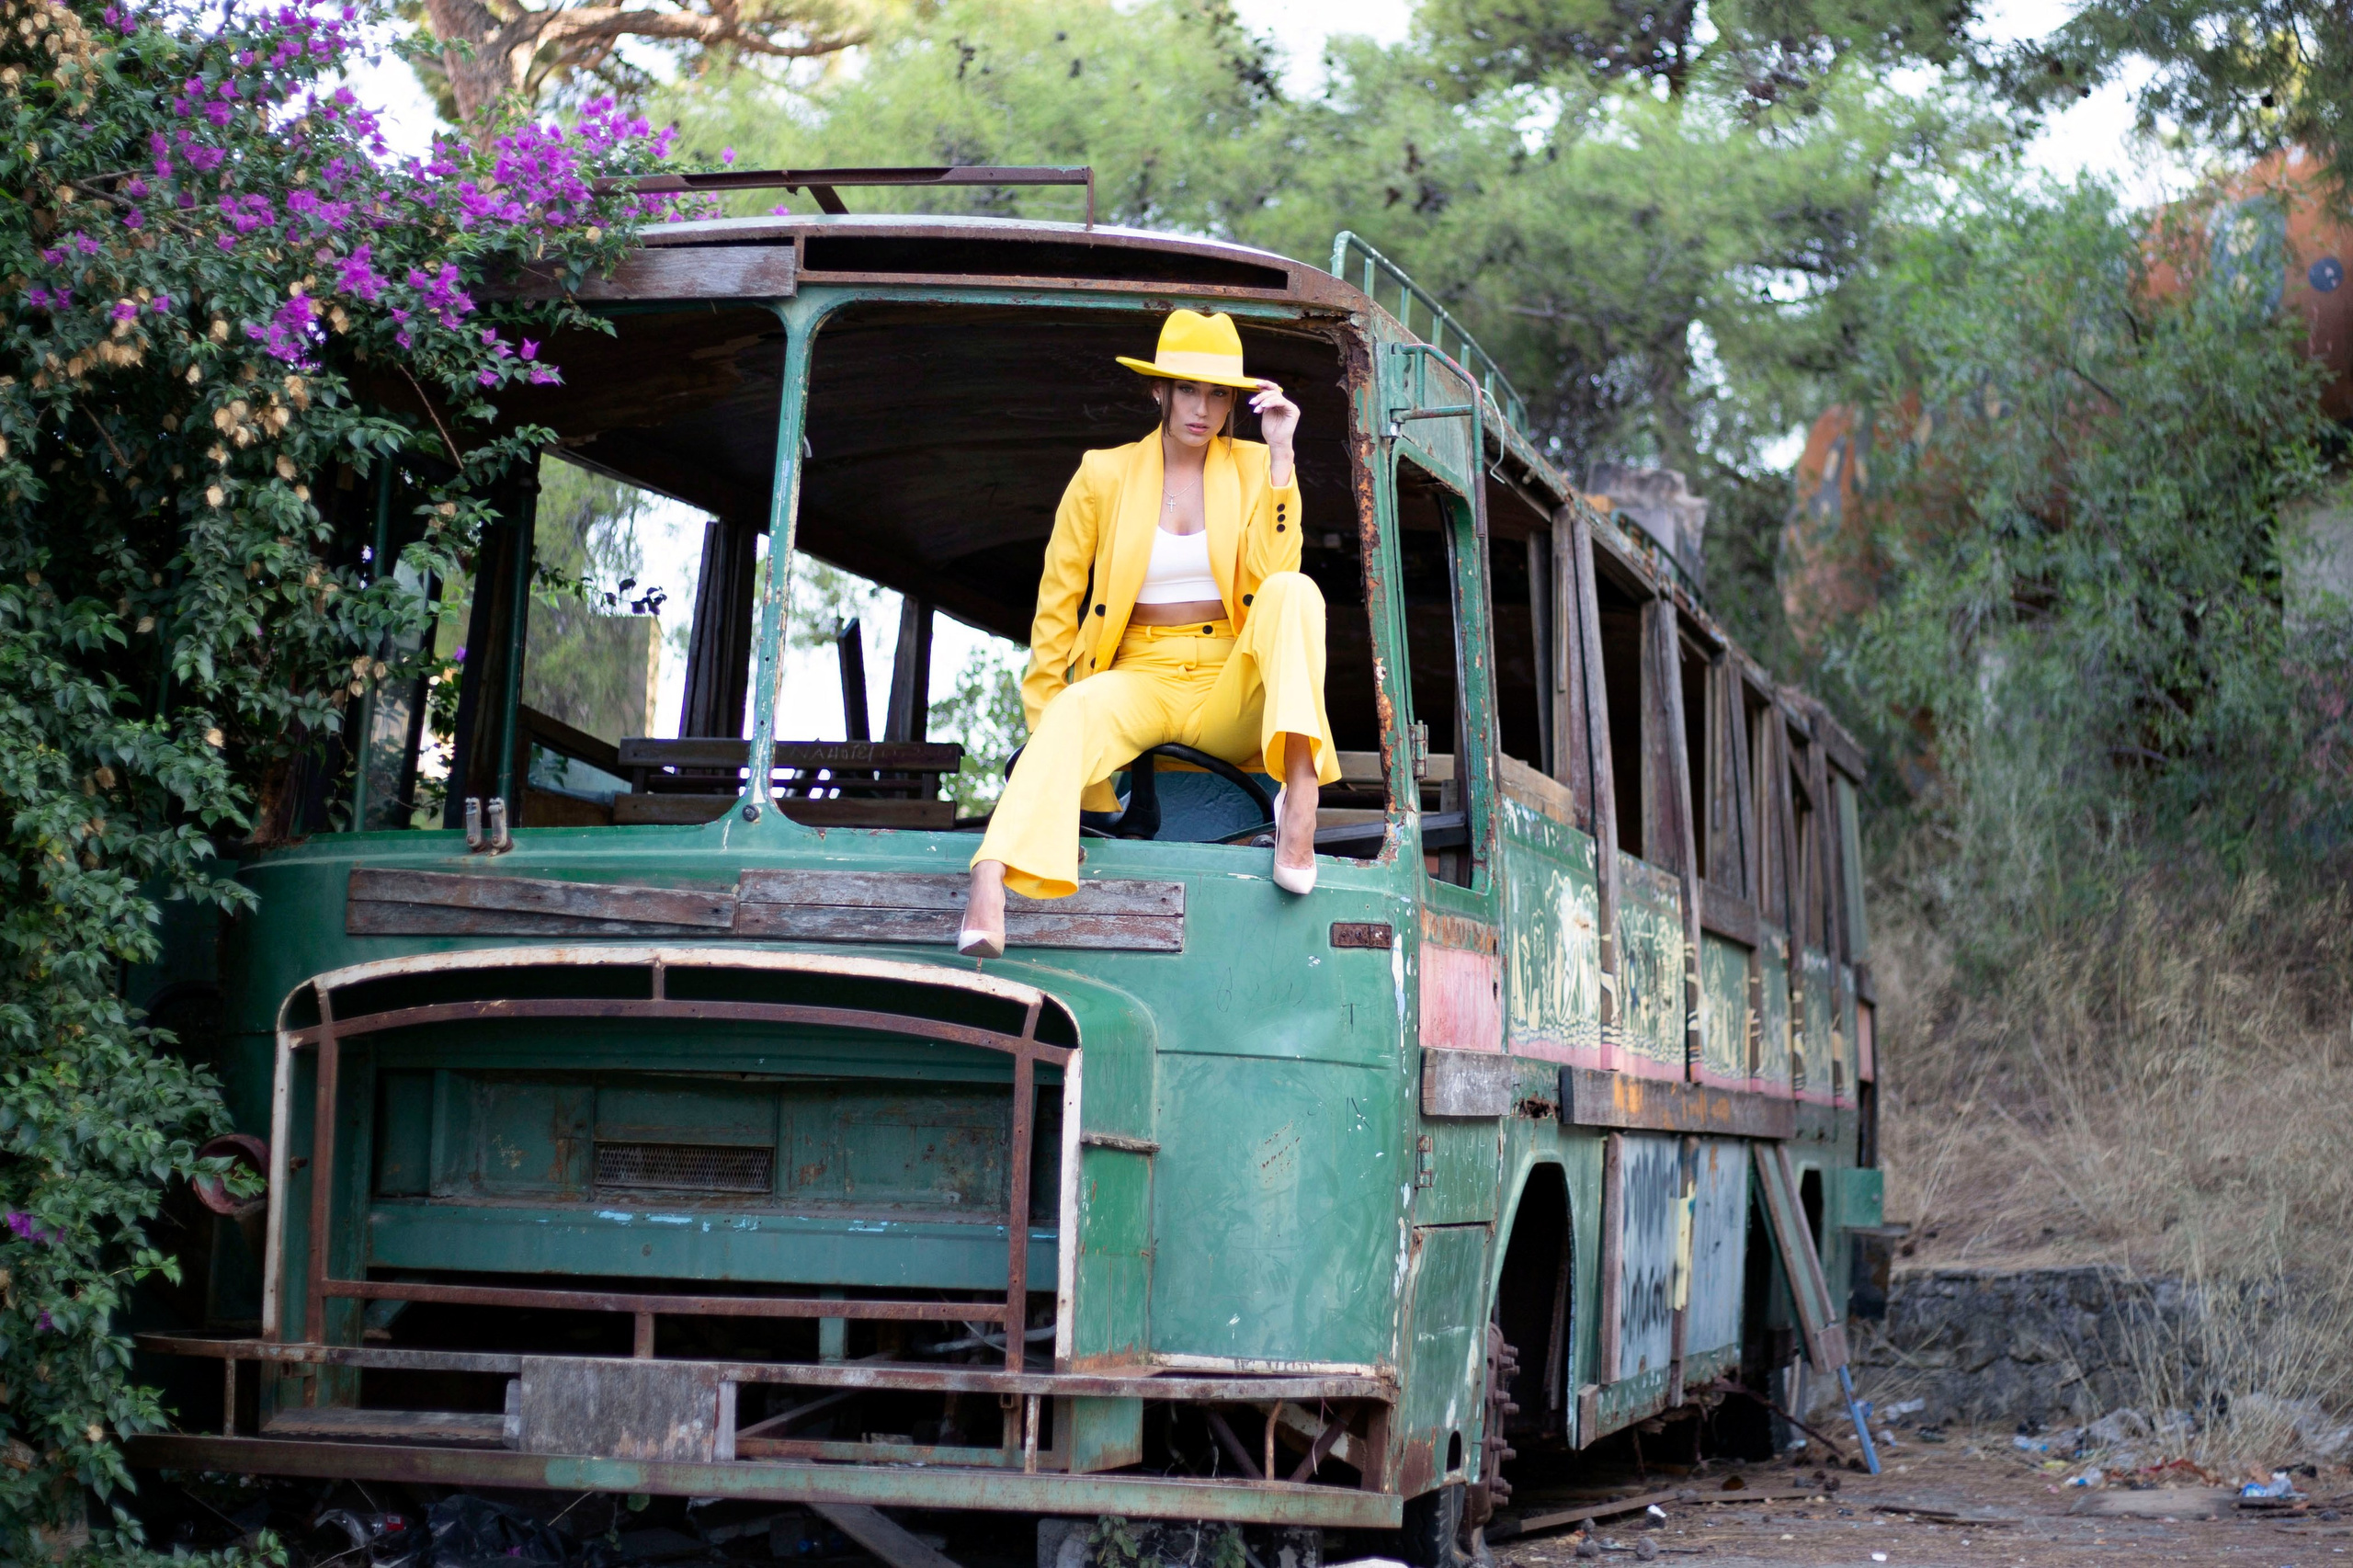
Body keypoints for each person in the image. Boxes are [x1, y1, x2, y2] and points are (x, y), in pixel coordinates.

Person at [958, 309, 1340, 959]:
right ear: (1157, 390)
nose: (1203, 407)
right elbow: (1057, 609)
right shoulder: (1102, 475)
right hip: (1142, 673)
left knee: (1294, 590)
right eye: (1188, 389)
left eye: (1219, 393)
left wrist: (1282, 457)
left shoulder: (1254, 466)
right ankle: (990, 874)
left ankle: (1300, 795)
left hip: (1232, 681)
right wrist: (1045, 730)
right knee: (1075, 706)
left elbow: (1274, 577)